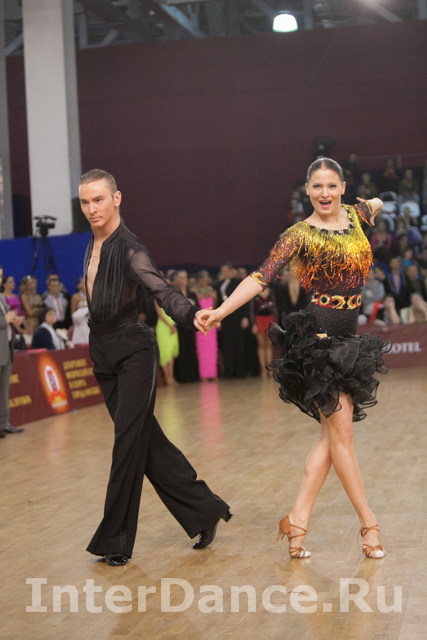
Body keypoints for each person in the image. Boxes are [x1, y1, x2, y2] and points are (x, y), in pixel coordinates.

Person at [200, 158, 389, 559]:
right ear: (307, 190)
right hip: (318, 341)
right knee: (342, 434)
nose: (324, 193)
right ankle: (369, 525)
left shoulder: (356, 216)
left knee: (329, 437)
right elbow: (261, 276)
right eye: (317, 187)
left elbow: (377, 203)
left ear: (343, 188)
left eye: (332, 186)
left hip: (348, 340)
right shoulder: (298, 234)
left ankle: (296, 522)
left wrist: (374, 205)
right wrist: (221, 311)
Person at [79, 168, 231, 566]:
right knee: (147, 443)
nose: (92, 208)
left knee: (127, 444)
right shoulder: (91, 245)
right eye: (85, 202)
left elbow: (162, 289)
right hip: (103, 354)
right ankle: (204, 510)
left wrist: (191, 314)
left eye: (99, 199)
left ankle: (114, 540)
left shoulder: (130, 248)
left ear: (117, 199)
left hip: (133, 351)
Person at [215, 262, 249, 379]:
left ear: (231, 270)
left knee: (239, 345)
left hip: (238, 318)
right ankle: (228, 371)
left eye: (225, 271)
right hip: (225, 319)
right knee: (227, 346)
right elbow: (218, 303)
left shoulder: (239, 282)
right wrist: (218, 319)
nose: (223, 273)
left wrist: (245, 317)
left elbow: (245, 300)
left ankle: (240, 371)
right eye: (222, 271)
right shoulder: (219, 285)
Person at [0, 291, 24, 437]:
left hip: (6, 349)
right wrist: (5, 320)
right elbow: (4, 319)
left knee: (4, 390)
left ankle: (3, 423)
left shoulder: (1, 297)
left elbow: (7, 319)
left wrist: (14, 321)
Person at [172, 270, 199, 384]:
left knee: (191, 349)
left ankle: (192, 376)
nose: (184, 279)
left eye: (185, 277)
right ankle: (183, 376)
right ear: (177, 279)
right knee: (182, 350)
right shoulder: (175, 293)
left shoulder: (192, 293)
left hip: (190, 325)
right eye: (181, 277)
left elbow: (198, 308)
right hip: (179, 326)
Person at [193, 270, 218, 381]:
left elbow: (215, 304)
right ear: (199, 280)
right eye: (203, 281)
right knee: (202, 350)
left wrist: (213, 297)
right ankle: (203, 374)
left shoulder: (210, 289)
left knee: (212, 349)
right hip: (200, 323)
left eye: (207, 280)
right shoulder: (193, 290)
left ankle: (213, 373)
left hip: (211, 324)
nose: (206, 283)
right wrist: (200, 297)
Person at [250, 286, 278, 378]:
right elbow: (252, 309)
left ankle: (269, 368)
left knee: (269, 345)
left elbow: (275, 307)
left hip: (269, 319)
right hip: (259, 320)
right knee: (261, 345)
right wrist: (253, 324)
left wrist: (275, 321)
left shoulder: (271, 291)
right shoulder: (254, 292)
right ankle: (263, 369)